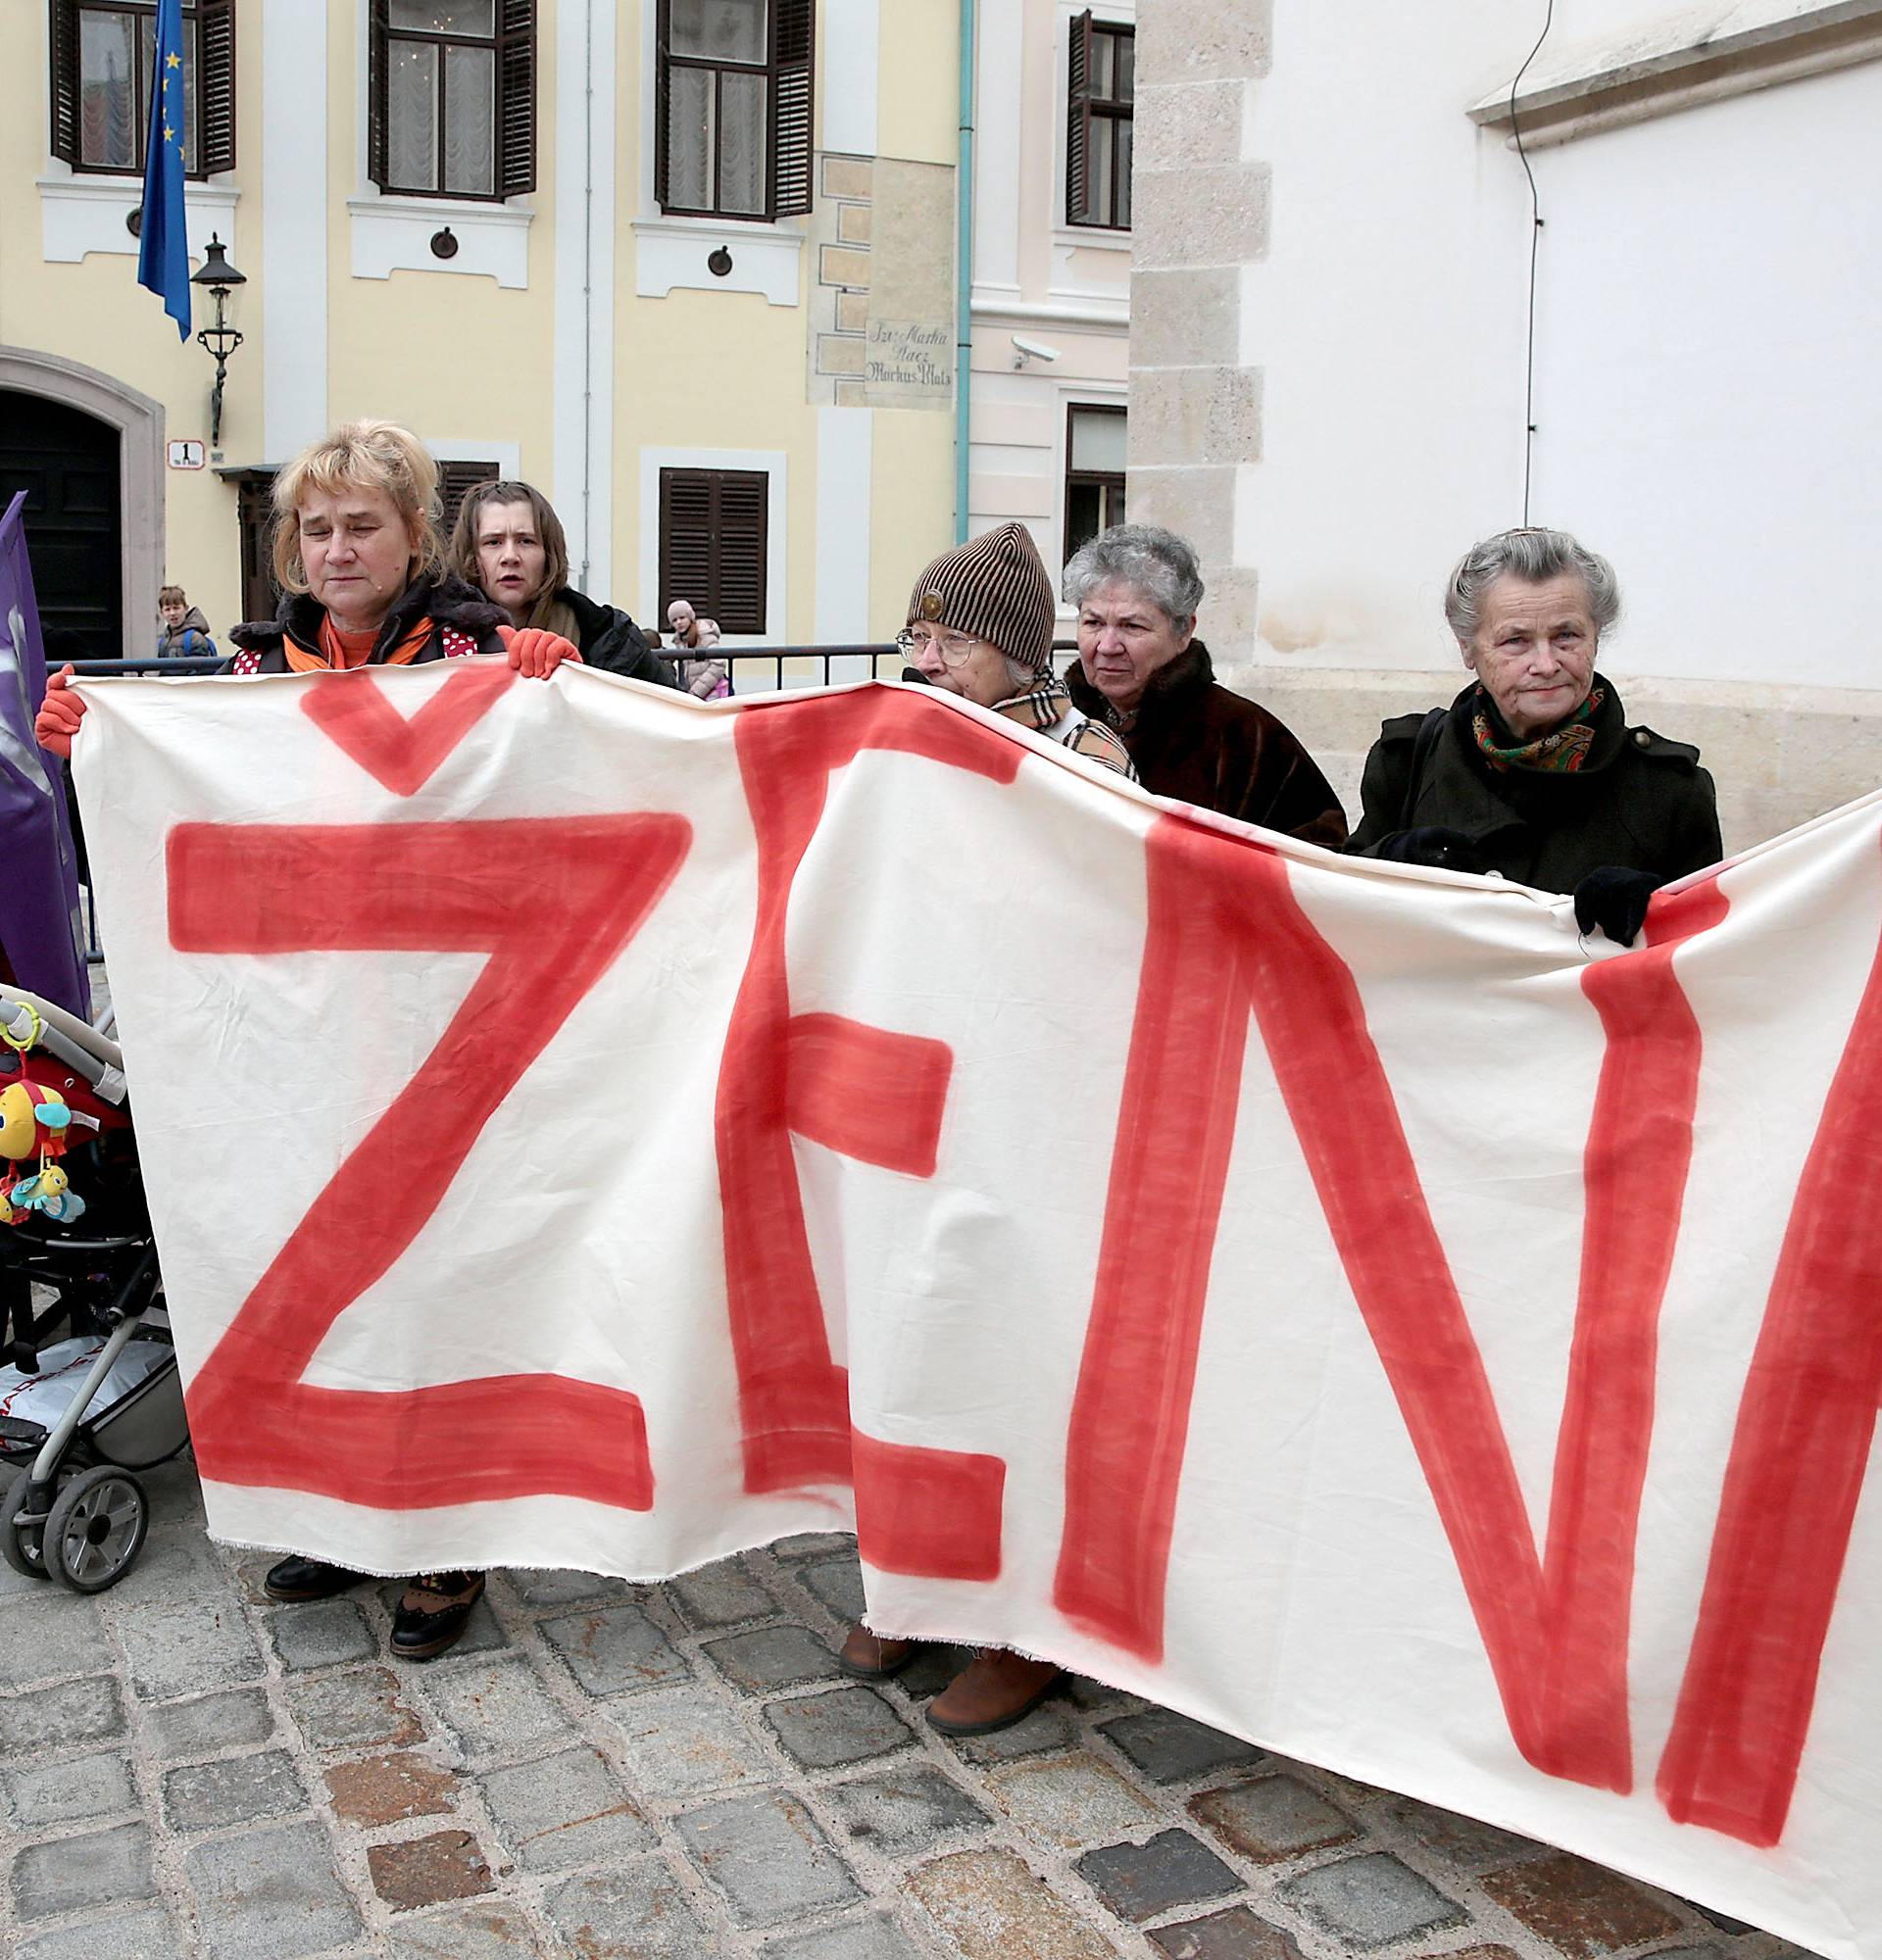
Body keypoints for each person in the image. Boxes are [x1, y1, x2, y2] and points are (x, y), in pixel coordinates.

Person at [35, 418, 580, 1660]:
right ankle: (341, 1509)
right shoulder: (250, 680)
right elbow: (196, 812)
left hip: (448, 1028)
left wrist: (549, 689)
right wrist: (99, 748)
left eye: (361, 524)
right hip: (297, 1038)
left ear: (413, 537)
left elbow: (562, 795)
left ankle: (443, 1535)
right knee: (315, 1265)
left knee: (435, 1280)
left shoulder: (478, 655)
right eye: (314, 526)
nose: (335, 547)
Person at [838, 521, 1131, 1740]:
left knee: (1026, 1348)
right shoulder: (906, 738)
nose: (929, 658)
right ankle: (912, 1572)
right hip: (928, 1082)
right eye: (919, 635)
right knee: (920, 1324)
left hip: (1042, 1095)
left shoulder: (1088, 754)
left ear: (1013, 653)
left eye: (951, 638)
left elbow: (1112, 911)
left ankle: (1030, 1626)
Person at [1345, 526, 1721, 944]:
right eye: (1515, 641)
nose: (1545, 664)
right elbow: (1335, 914)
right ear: (1468, 648)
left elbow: (1708, 954)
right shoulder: (1408, 761)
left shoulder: (1669, 789)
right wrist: (1391, 861)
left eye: (1566, 636)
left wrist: (1656, 908)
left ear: (1596, 634)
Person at [1063, 524, 1346, 844]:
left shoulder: (1244, 735)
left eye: (1132, 626)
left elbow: (1319, 858)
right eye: (1093, 622)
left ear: (1184, 632)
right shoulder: (1057, 721)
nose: (1107, 645)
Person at [894, 522, 1134, 778]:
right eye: (920, 637)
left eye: (955, 640)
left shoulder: (1085, 759)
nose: (926, 663)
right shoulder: (906, 732)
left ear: (1020, 658)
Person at [450, 479, 677, 689]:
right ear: (471, 554)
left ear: (549, 553)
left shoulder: (612, 638)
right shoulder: (437, 639)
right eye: (493, 542)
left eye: (526, 541)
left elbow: (680, 721)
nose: (510, 556)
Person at [667, 598, 730, 700]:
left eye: (682, 617)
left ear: (690, 617)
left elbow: (719, 663)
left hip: (712, 692)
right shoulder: (680, 641)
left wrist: (696, 691)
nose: (678, 622)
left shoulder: (705, 635)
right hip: (698, 694)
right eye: (674, 620)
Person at [156, 586, 217, 661]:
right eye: (167, 609)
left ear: (186, 608)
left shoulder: (195, 638)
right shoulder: (164, 640)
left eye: (176, 608)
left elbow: (200, 670)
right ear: (161, 613)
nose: (172, 613)